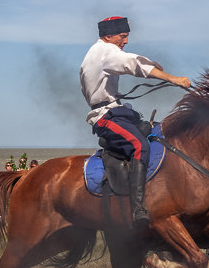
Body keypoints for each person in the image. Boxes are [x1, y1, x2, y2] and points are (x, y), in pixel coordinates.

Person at [80, 15, 192, 229]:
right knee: (140, 146)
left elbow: (133, 61)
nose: (126, 41)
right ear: (108, 35)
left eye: (126, 36)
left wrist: (150, 64)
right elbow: (133, 64)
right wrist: (173, 78)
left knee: (160, 132)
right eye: (123, 36)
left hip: (117, 112)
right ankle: (138, 207)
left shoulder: (102, 52)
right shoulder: (105, 52)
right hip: (105, 118)